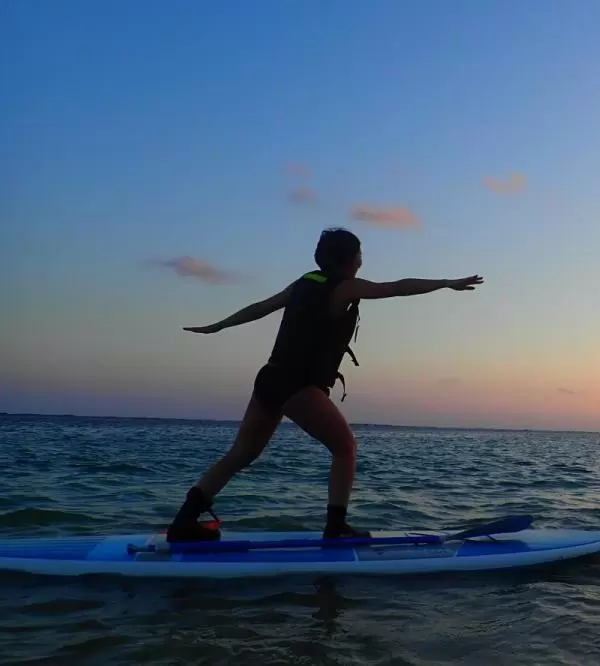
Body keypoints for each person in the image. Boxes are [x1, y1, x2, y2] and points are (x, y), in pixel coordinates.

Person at [165, 227, 484, 542]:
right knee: (345, 447)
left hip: (270, 379)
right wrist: (445, 283)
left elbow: (260, 308)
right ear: (350, 259)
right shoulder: (343, 287)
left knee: (242, 454)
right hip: (297, 383)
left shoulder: (305, 282)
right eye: (360, 254)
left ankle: (184, 521)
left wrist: (219, 325)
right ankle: (336, 527)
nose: (362, 260)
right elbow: (397, 287)